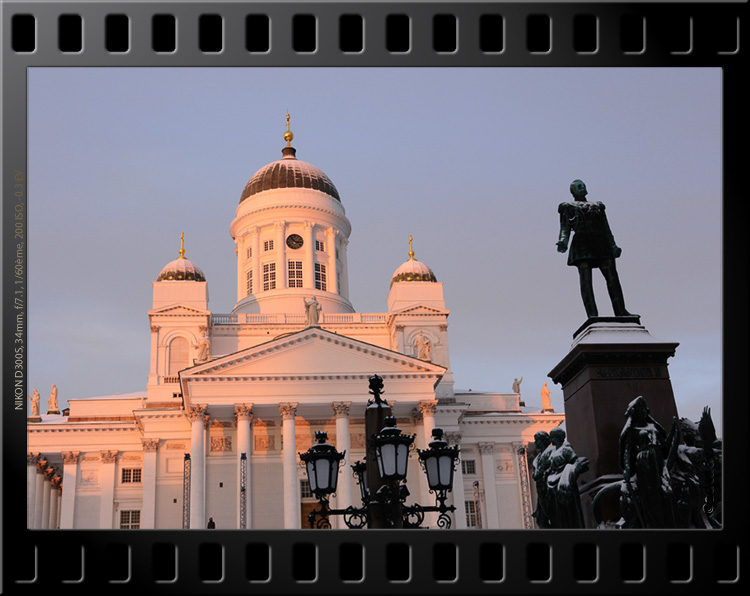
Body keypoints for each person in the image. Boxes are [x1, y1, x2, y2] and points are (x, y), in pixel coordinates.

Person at [556, 180, 637, 319]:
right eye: (578, 187)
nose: (582, 188)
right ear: (573, 192)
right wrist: (563, 242)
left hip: (601, 243)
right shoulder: (567, 206)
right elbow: (565, 228)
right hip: (582, 244)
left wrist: (613, 246)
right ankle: (592, 314)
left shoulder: (598, 206)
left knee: (613, 278)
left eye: (583, 185)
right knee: (586, 282)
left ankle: (621, 311)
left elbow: (606, 228)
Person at [619, 396, 676, 527]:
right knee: (651, 497)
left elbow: (665, 445)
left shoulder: (654, 428)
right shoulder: (632, 431)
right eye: (641, 410)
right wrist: (627, 469)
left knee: (666, 493)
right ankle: (654, 524)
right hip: (645, 465)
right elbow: (627, 450)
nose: (644, 412)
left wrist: (673, 430)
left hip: (658, 462)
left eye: (645, 409)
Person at [545, 428, 589, 528]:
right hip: (555, 485)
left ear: (558, 437)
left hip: (565, 484)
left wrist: (566, 475)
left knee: (568, 512)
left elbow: (576, 463)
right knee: (559, 514)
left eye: (553, 437)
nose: (551, 439)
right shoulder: (554, 452)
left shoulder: (566, 449)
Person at [531, 431, 553, 528]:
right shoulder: (537, 458)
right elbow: (535, 475)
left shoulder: (551, 452)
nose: (535, 443)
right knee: (540, 520)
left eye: (537, 440)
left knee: (552, 517)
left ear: (543, 441)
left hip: (550, 491)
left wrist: (541, 472)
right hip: (541, 492)